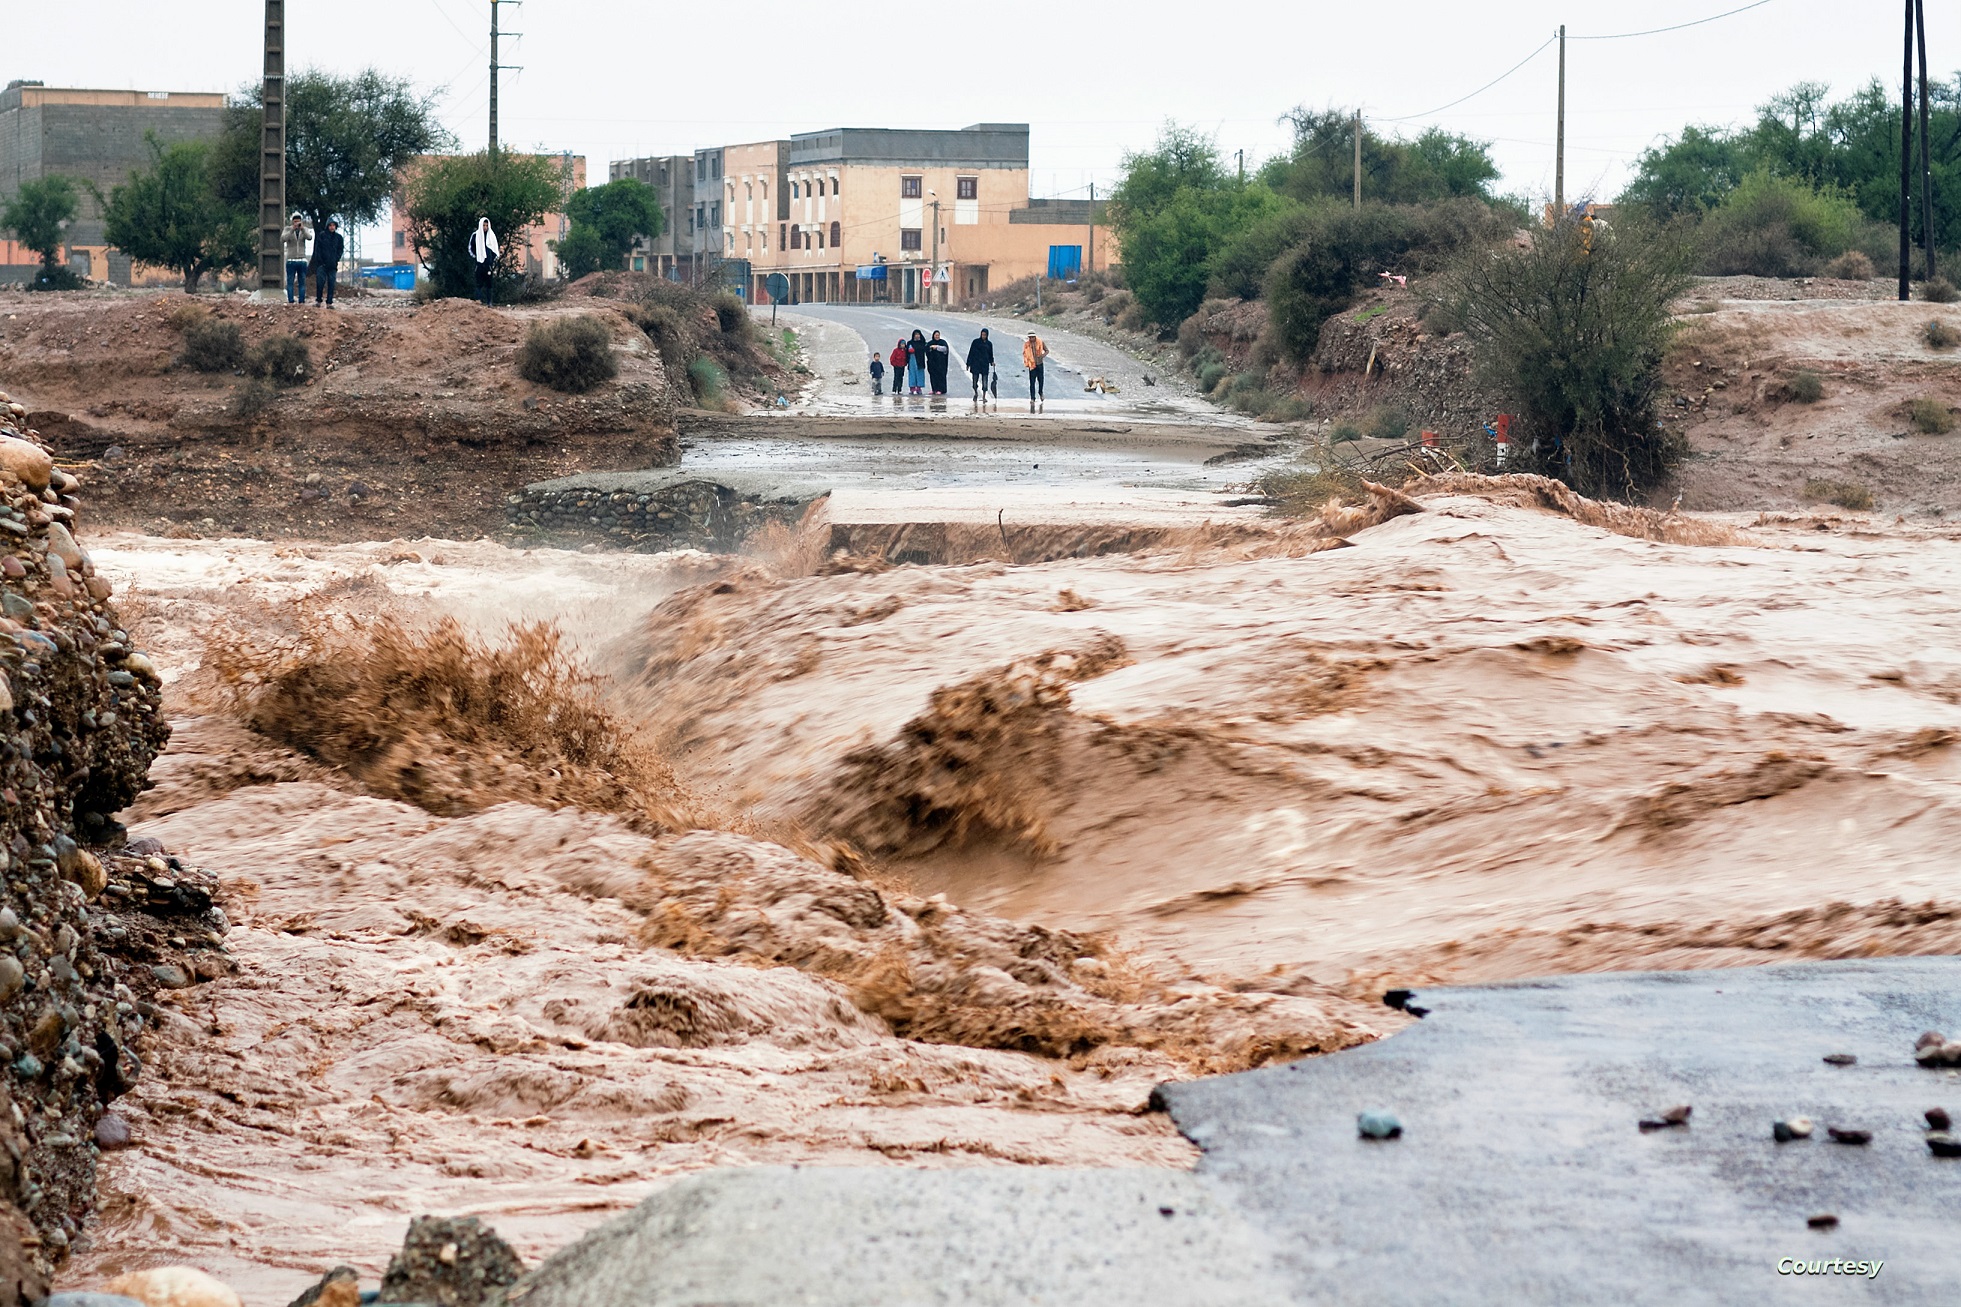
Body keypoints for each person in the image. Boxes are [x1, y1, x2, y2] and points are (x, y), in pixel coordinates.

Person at [310, 218, 344, 308]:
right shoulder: (322, 236)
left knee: (331, 283)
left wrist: (336, 259)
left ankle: (329, 302)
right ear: (327, 226)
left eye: (333, 225)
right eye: (330, 225)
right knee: (320, 282)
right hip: (322, 265)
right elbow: (318, 249)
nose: (332, 227)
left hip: (332, 265)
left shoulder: (339, 238)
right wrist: (320, 261)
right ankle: (318, 301)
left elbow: (340, 250)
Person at [469, 218, 500, 306]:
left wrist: (491, 260)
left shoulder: (491, 236)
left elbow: (495, 250)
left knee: (489, 284)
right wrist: (476, 257)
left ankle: (489, 302)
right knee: (479, 284)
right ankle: (478, 302)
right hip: (479, 264)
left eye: (486, 225)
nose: (485, 227)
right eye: (483, 225)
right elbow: (470, 248)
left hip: (488, 265)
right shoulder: (475, 235)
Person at [282, 213, 311, 305]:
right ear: (292, 222)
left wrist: (302, 229)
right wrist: (292, 230)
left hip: (302, 260)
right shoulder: (287, 229)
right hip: (291, 260)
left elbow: (309, 237)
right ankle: (291, 300)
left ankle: (301, 301)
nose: (296, 223)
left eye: (298, 221)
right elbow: (283, 239)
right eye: (295, 222)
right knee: (290, 281)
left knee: (302, 281)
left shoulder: (304, 229)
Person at [965, 328, 995, 402]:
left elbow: (990, 354)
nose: (983, 336)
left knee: (985, 383)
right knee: (974, 383)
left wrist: (992, 362)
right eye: (982, 334)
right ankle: (976, 393)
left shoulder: (989, 344)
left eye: (985, 335)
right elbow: (971, 353)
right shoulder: (975, 342)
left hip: (985, 365)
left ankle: (984, 397)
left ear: (987, 335)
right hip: (975, 364)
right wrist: (968, 363)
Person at [1023, 331, 1048, 408]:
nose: (1031, 338)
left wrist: (1042, 356)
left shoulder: (1040, 342)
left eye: (1032, 337)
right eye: (1029, 337)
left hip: (1040, 364)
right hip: (1032, 365)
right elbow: (1024, 353)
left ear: (1035, 337)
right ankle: (1032, 398)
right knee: (1032, 382)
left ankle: (1040, 392)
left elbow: (1047, 350)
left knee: (1041, 380)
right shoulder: (1027, 345)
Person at [925, 330, 951, 395]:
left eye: (938, 335)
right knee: (933, 376)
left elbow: (945, 349)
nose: (937, 336)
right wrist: (930, 348)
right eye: (936, 335)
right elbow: (926, 350)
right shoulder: (930, 343)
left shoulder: (943, 342)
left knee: (940, 376)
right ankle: (934, 389)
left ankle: (940, 389)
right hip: (932, 363)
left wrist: (936, 347)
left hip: (941, 364)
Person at [906, 329, 927, 394]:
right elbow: (906, 351)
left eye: (918, 334)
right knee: (912, 374)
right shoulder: (910, 342)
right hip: (912, 361)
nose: (917, 336)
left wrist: (915, 350)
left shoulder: (922, 342)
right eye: (916, 334)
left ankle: (918, 387)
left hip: (920, 361)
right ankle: (912, 387)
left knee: (919, 374)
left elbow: (925, 349)